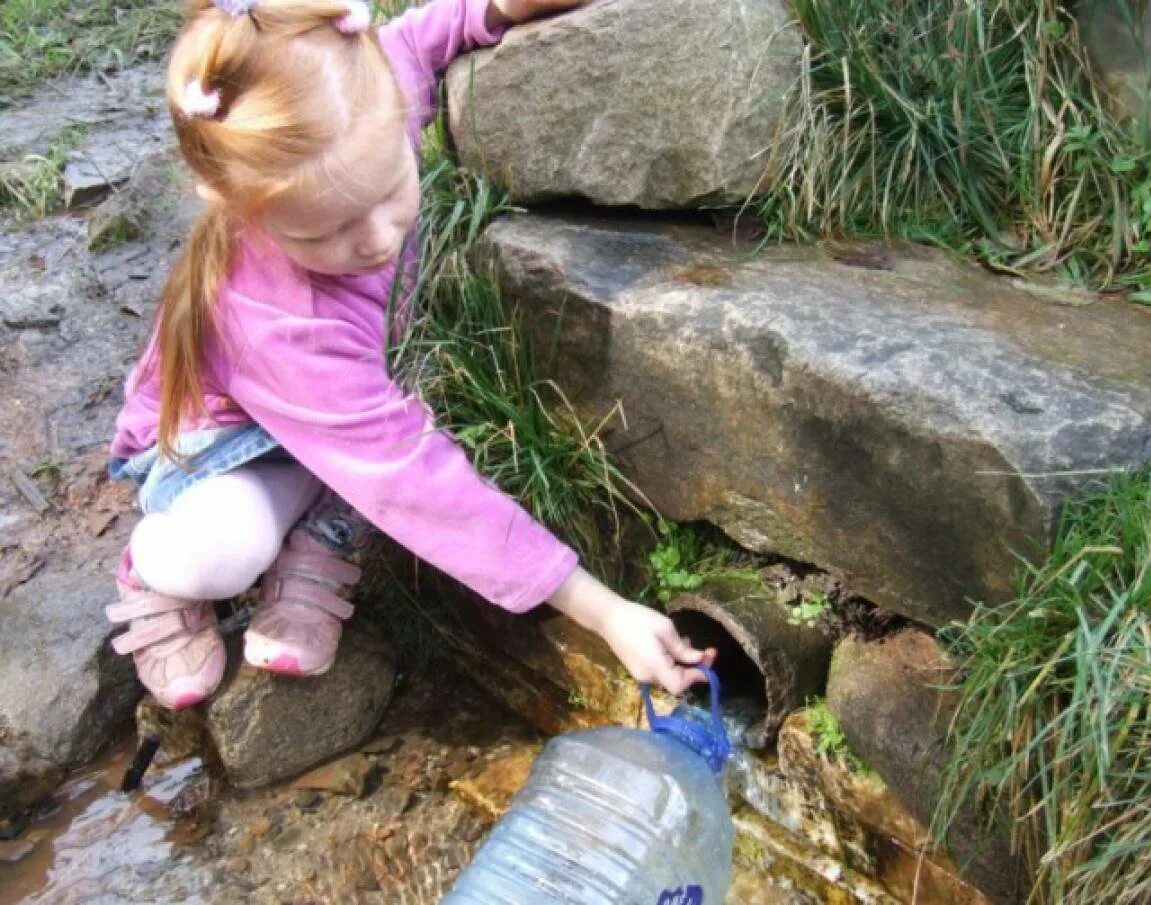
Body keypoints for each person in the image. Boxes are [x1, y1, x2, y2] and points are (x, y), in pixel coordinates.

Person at [106, 0, 715, 711]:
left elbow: (418, 39)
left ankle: (322, 511)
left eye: (392, 187)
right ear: (242, 208)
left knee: (352, 453)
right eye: (324, 233)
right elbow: (410, 478)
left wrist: (499, 8)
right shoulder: (274, 317)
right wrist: (604, 611)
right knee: (222, 553)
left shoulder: (354, 98)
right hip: (215, 451)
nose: (374, 240)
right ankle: (159, 573)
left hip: (339, 422)